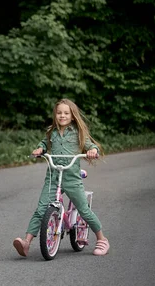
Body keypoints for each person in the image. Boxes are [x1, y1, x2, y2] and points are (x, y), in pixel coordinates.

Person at [13, 99, 109, 257]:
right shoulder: (52, 131)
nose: (62, 115)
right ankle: (26, 242)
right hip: (53, 176)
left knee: (84, 210)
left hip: (71, 177)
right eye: (59, 113)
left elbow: (90, 145)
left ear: (72, 116)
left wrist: (92, 150)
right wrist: (40, 149)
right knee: (41, 209)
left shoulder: (78, 133)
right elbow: (44, 143)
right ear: (55, 115)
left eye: (66, 113)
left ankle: (102, 239)